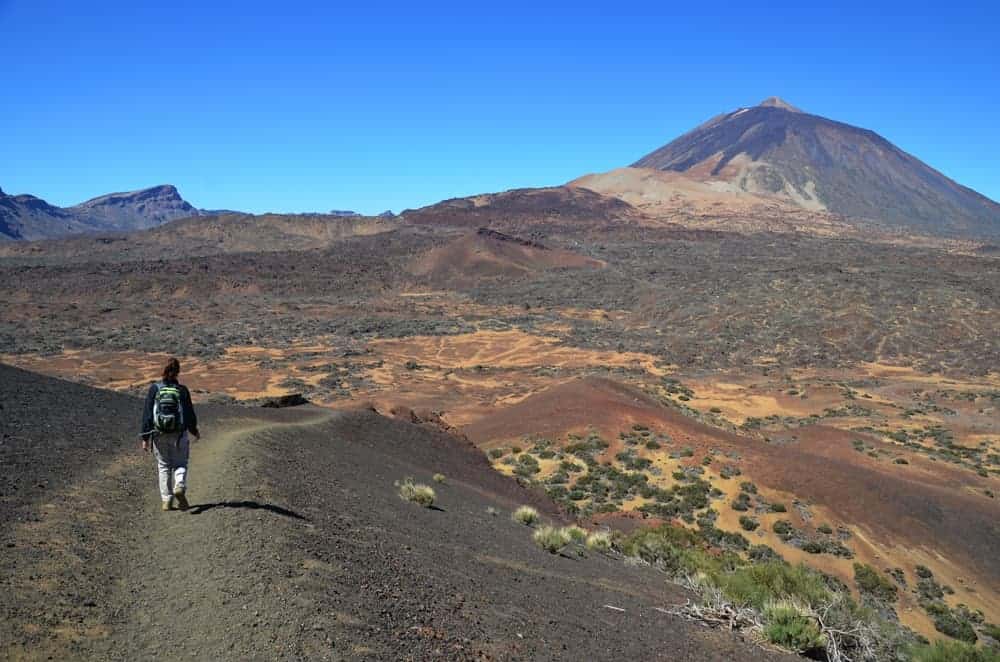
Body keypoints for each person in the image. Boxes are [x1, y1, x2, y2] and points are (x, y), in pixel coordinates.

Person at [140, 357, 200, 511]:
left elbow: (147, 413)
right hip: (179, 434)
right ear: (178, 372)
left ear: (163, 371)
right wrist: (194, 430)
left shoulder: (155, 389)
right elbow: (188, 414)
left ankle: (167, 500)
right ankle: (179, 485)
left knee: (163, 466)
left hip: (158, 434)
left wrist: (145, 437)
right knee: (180, 463)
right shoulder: (182, 390)